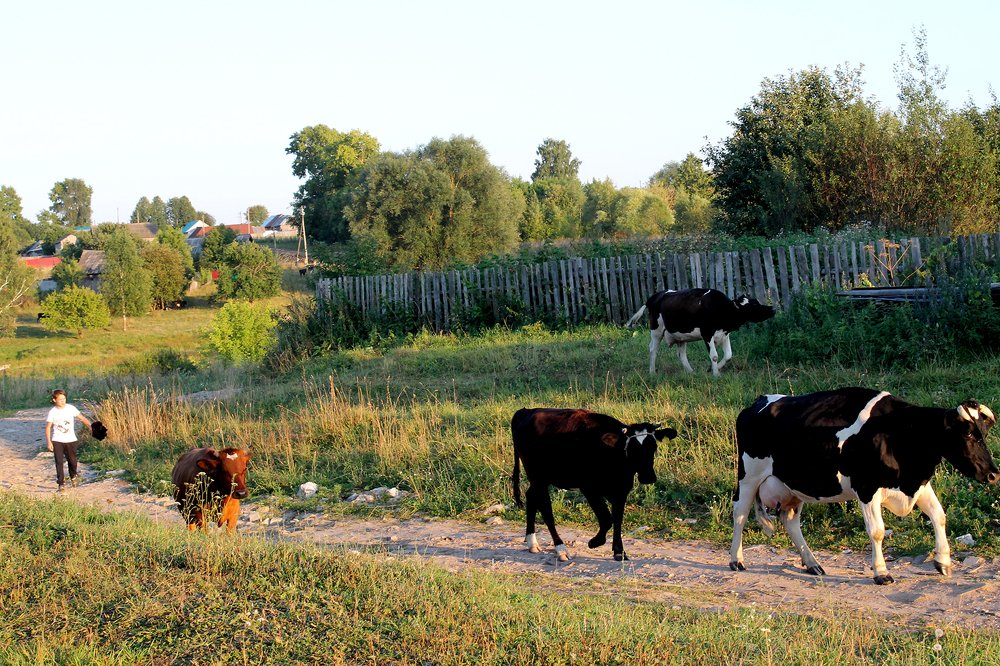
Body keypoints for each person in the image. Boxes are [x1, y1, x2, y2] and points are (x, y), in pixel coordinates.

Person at [45, 389, 92, 492]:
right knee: (59, 462)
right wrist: (49, 442)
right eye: (60, 399)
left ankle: (73, 476)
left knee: (72, 461)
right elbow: (48, 427)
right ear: (54, 400)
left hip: (71, 439)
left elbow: (82, 418)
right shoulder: (52, 412)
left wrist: (91, 426)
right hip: (57, 440)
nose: (63, 401)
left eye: (64, 398)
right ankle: (61, 484)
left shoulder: (71, 408)